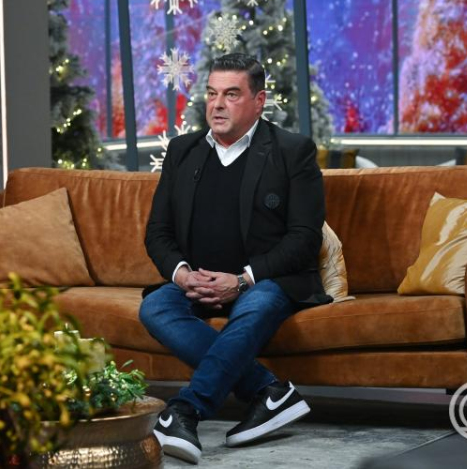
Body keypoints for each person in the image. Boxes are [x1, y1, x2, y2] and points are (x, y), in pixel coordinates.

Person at [139, 53, 332, 464]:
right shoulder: (182, 150)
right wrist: (182, 275)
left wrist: (242, 279)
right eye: (212, 94)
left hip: (264, 283)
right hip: (197, 283)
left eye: (231, 94)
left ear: (259, 101)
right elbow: (157, 232)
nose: (217, 105)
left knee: (258, 305)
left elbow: (304, 238)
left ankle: (186, 410)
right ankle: (268, 391)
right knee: (155, 307)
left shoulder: (292, 151)